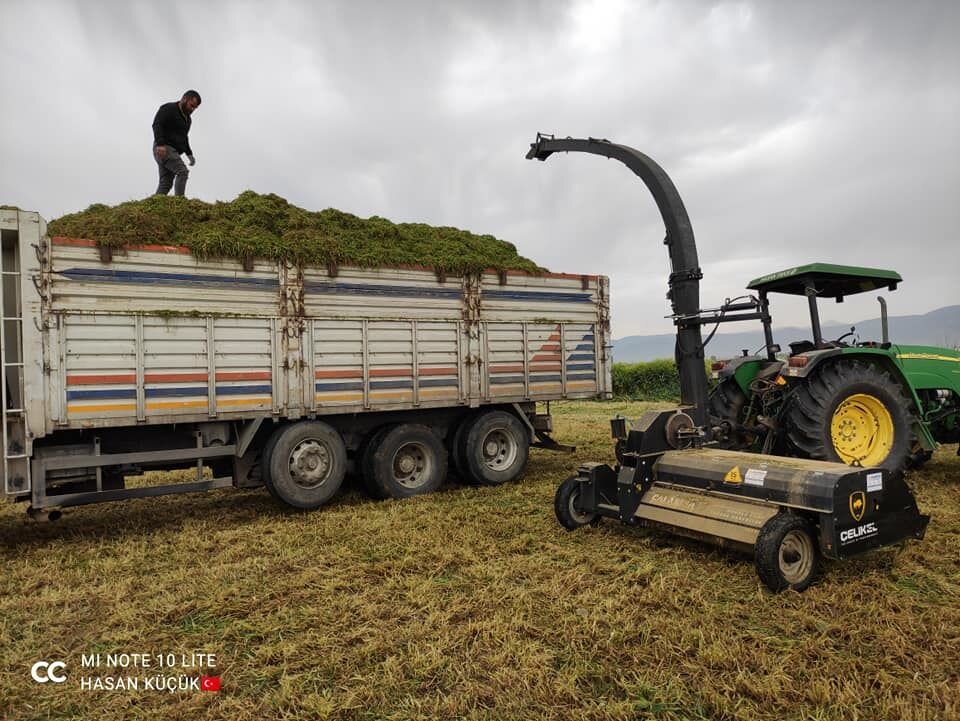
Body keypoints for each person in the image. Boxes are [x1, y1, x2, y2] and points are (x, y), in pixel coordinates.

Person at [152, 90, 202, 196]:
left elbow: (184, 138)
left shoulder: (188, 120)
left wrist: (189, 154)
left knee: (166, 183)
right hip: (163, 148)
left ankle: (153, 206)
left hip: (173, 152)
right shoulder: (168, 108)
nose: (192, 109)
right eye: (191, 105)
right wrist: (160, 144)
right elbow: (157, 124)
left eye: (195, 108)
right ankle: (180, 203)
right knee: (182, 172)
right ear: (184, 99)